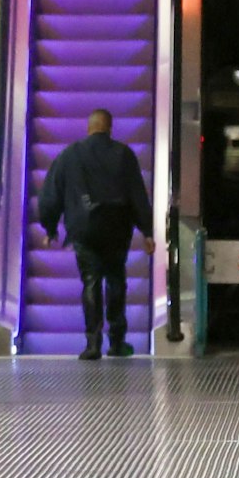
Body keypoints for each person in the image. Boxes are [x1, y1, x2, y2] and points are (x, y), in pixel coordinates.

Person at [38, 109, 155, 360]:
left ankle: (92, 344)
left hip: (84, 228)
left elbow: (50, 194)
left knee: (90, 281)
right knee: (116, 280)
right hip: (117, 227)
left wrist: (49, 227)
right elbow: (137, 195)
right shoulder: (124, 154)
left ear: (88, 127)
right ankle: (117, 342)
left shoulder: (70, 155)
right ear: (110, 128)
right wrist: (146, 231)